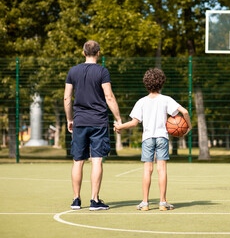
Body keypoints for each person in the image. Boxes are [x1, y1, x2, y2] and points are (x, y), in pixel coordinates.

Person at [114, 68, 192, 211]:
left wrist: (120, 126)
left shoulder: (141, 102)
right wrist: (189, 126)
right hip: (162, 137)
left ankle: (145, 203)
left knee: (147, 170)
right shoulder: (166, 99)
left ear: (146, 84)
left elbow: (133, 123)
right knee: (161, 169)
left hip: (147, 138)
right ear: (162, 83)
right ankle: (163, 203)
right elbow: (185, 112)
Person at [64, 40, 122, 211]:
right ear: (98, 53)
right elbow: (109, 96)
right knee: (96, 160)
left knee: (78, 161)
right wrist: (118, 118)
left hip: (80, 121)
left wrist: (69, 119)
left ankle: (76, 200)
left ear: (83, 53)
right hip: (98, 122)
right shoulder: (102, 71)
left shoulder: (73, 71)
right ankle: (94, 200)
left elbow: (67, 98)